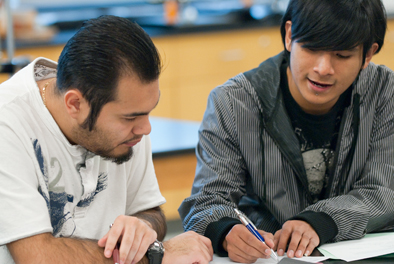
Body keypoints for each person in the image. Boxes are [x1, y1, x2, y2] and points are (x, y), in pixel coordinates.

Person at [179, 0, 394, 263]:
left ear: (368, 54)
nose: (323, 68)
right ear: (290, 36)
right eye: (313, 48)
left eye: (342, 55)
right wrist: (226, 231)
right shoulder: (234, 102)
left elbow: (384, 189)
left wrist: (321, 221)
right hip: (270, 257)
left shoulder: (385, 93)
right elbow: (207, 200)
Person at [0, 15, 213, 264]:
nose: (145, 128)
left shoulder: (129, 117)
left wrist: (142, 227)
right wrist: (156, 255)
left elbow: (149, 210)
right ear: (75, 104)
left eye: (149, 111)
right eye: (130, 118)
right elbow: (37, 257)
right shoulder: (8, 123)